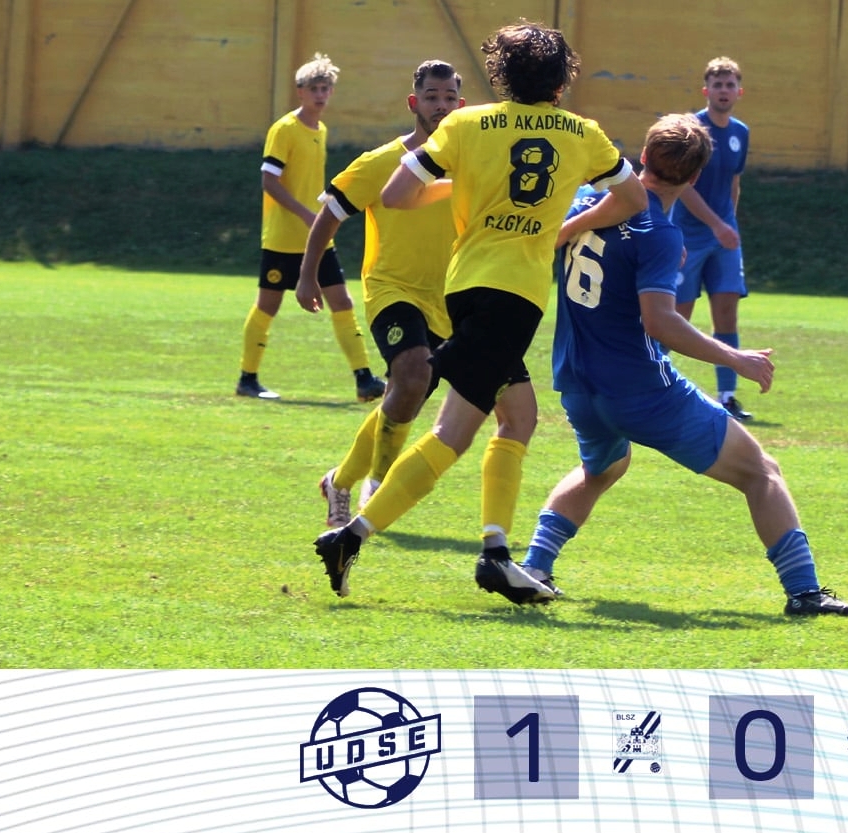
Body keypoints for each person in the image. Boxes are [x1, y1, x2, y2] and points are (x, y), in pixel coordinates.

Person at [312, 21, 647, 604]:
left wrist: (466, 186)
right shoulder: (584, 133)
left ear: (501, 76)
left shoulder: (467, 124)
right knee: (452, 432)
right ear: (560, 82)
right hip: (514, 293)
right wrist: (565, 224)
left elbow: (395, 196)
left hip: (462, 284)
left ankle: (494, 548)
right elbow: (634, 197)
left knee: (518, 417)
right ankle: (360, 536)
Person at [518, 113, 848, 618]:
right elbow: (660, 322)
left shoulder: (584, 201)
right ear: (694, 178)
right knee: (760, 471)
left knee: (603, 467)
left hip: (577, 384)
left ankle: (534, 567)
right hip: (641, 391)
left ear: (644, 157)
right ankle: (805, 592)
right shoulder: (658, 233)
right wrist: (735, 357)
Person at [297, 60, 464, 529]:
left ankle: (339, 481)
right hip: (391, 289)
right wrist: (307, 275)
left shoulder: (470, 162)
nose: (441, 106)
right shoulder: (381, 162)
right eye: (431, 97)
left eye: (449, 98)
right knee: (411, 375)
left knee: (403, 395)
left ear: (462, 105)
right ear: (414, 103)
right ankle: (379, 483)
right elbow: (330, 214)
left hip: (447, 299)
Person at [236, 52, 386, 402]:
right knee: (268, 305)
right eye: (314, 88)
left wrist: (317, 217)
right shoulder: (285, 129)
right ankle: (247, 378)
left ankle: (364, 379)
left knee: (342, 301)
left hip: (317, 237)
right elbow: (269, 181)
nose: (320, 94)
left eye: (325, 88)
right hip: (283, 238)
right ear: (300, 91)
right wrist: (306, 214)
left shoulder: (321, 130)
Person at [671, 56, 753, 421]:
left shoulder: (740, 133)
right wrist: (717, 224)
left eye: (729, 85)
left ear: (739, 92)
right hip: (688, 237)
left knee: (726, 314)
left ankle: (728, 397)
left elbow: (734, 182)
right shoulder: (692, 129)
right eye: (717, 85)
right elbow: (683, 186)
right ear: (706, 91)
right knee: (677, 317)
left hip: (724, 239)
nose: (724, 91)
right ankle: (654, 386)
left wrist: (728, 223)